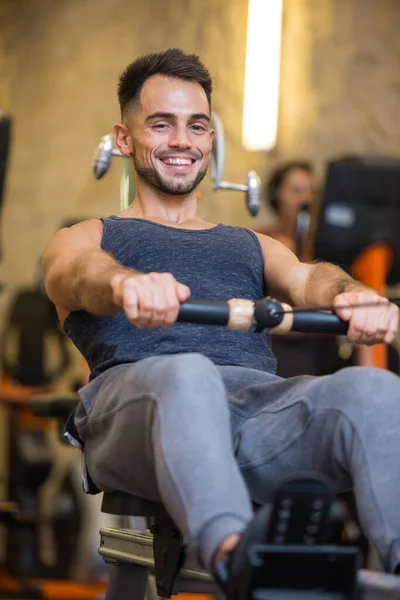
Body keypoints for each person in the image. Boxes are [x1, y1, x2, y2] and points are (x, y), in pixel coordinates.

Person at [42, 49, 400, 588]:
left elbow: (308, 280)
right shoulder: (90, 238)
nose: (182, 141)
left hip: (254, 413)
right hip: (138, 412)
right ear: (123, 138)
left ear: (210, 140)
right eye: (162, 125)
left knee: (375, 391)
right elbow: (78, 274)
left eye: (197, 126)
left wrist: (352, 295)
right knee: (188, 373)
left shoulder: (250, 244)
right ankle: (241, 558)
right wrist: (124, 283)